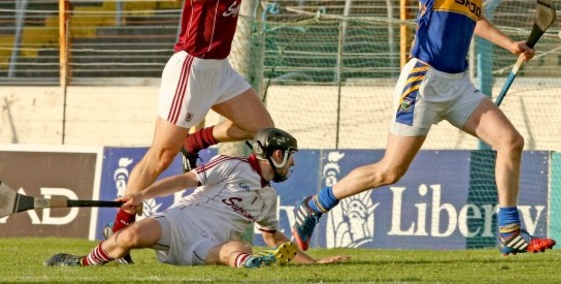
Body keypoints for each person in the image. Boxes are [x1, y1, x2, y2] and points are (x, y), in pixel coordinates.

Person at [290, 0, 557, 256]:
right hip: (425, 80)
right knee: (389, 172)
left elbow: (475, 19)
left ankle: (510, 231)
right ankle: (313, 206)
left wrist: (509, 43)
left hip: (458, 84)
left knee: (510, 142)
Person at [105, 0, 277, 262]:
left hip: (221, 70)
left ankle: (195, 142)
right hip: (193, 67)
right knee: (161, 155)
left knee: (262, 130)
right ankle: (119, 231)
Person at [45, 128, 350, 268]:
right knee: (132, 234)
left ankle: (250, 263)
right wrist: (142, 194)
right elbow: (184, 180)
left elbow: (273, 239)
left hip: (205, 246)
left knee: (237, 248)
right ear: (275, 153)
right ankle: (84, 262)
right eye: (289, 156)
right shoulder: (232, 164)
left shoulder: (268, 199)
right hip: (179, 222)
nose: (292, 164)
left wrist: (314, 264)